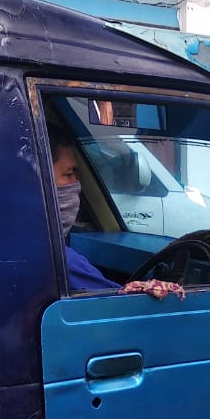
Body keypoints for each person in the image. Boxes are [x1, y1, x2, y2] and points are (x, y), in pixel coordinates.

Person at [47, 121, 185, 301]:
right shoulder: (62, 263)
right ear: (38, 180)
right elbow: (122, 310)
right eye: (68, 174)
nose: (77, 185)